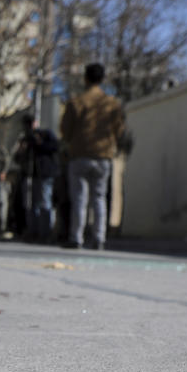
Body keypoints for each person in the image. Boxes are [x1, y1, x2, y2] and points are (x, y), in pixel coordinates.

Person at [60, 63, 126, 250]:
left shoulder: (77, 102)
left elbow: (65, 130)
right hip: (103, 155)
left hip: (80, 155)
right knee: (99, 197)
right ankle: (99, 237)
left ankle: (77, 237)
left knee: (79, 198)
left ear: (85, 78)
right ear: (102, 79)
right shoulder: (112, 103)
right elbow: (120, 130)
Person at [15, 115, 60, 243]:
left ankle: (46, 233)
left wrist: (40, 142)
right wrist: (22, 149)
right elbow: (17, 159)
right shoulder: (25, 139)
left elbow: (55, 147)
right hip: (29, 175)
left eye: (30, 124)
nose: (28, 127)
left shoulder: (46, 134)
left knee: (45, 202)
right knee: (30, 204)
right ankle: (33, 231)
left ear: (35, 123)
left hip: (44, 175)